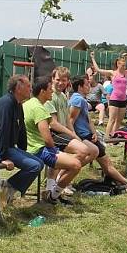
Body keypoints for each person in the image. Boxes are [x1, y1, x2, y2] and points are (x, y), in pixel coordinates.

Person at [23, 77, 83, 205]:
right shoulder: (38, 108)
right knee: (76, 164)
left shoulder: (30, 104)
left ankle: (51, 191)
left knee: (71, 158)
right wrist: (54, 151)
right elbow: (47, 139)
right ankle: (53, 196)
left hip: (31, 147)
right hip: (37, 150)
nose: (52, 91)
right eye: (50, 89)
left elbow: (52, 126)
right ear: (42, 92)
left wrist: (70, 135)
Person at [0, 75, 42, 208]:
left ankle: (8, 187)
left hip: (9, 148)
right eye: (28, 86)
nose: (31, 88)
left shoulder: (18, 104)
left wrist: (23, 151)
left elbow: (21, 131)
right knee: (34, 166)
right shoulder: (6, 104)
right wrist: (3, 157)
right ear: (18, 88)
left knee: (39, 163)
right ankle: (8, 189)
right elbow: (2, 132)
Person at [68, 76, 127, 186]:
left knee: (106, 163)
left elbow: (88, 120)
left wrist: (94, 132)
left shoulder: (81, 99)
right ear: (80, 87)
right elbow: (70, 121)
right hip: (83, 137)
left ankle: (126, 182)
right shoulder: (77, 100)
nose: (89, 87)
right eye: (87, 84)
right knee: (103, 162)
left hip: (89, 136)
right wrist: (76, 138)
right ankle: (65, 176)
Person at [44, 67, 92, 197]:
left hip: (62, 133)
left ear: (68, 81)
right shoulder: (50, 95)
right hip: (51, 134)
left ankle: (54, 186)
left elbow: (68, 120)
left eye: (64, 80)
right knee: (83, 151)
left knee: (85, 150)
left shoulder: (64, 97)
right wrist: (72, 135)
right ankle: (55, 187)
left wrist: (75, 135)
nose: (60, 83)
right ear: (52, 79)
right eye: (58, 79)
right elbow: (53, 123)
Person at [91, 51, 127, 135]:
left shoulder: (126, 73)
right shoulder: (112, 73)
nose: (124, 67)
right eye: (123, 65)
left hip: (123, 100)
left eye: (125, 65)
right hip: (114, 99)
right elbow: (98, 70)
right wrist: (93, 58)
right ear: (118, 64)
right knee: (112, 120)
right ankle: (106, 138)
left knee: (119, 121)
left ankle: (114, 136)